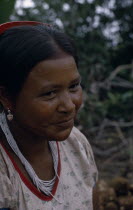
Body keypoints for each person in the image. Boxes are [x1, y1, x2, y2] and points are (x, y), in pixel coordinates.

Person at [0, 21, 98, 210]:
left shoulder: (76, 143)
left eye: (74, 86)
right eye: (49, 93)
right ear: (6, 96)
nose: (69, 106)